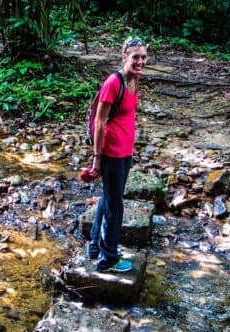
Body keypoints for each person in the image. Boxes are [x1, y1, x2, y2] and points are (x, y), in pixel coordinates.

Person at [87, 37, 149, 273]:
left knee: (109, 197)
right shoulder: (113, 83)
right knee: (115, 205)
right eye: (135, 57)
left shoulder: (135, 80)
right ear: (124, 57)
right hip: (111, 152)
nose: (140, 61)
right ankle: (108, 259)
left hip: (125, 151)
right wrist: (97, 157)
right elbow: (100, 122)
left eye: (143, 57)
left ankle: (95, 247)